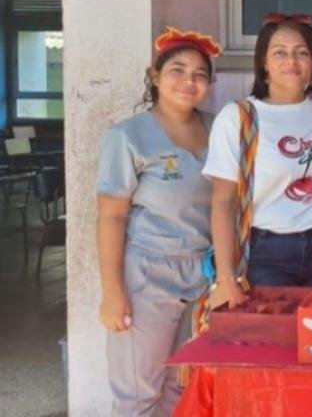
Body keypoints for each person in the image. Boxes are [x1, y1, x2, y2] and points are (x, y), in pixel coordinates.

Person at [96, 27, 220, 415]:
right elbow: (112, 216)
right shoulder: (129, 136)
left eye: (200, 74)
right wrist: (113, 292)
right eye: (178, 71)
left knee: (181, 385)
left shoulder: (220, 129)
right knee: (138, 393)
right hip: (148, 273)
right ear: (155, 76)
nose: (189, 82)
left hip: (203, 276)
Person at [204, 14, 312, 308]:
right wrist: (226, 277)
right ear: (264, 63)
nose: (291, 60)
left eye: (302, 52)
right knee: (274, 344)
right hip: (268, 253)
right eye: (279, 52)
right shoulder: (239, 117)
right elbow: (222, 202)